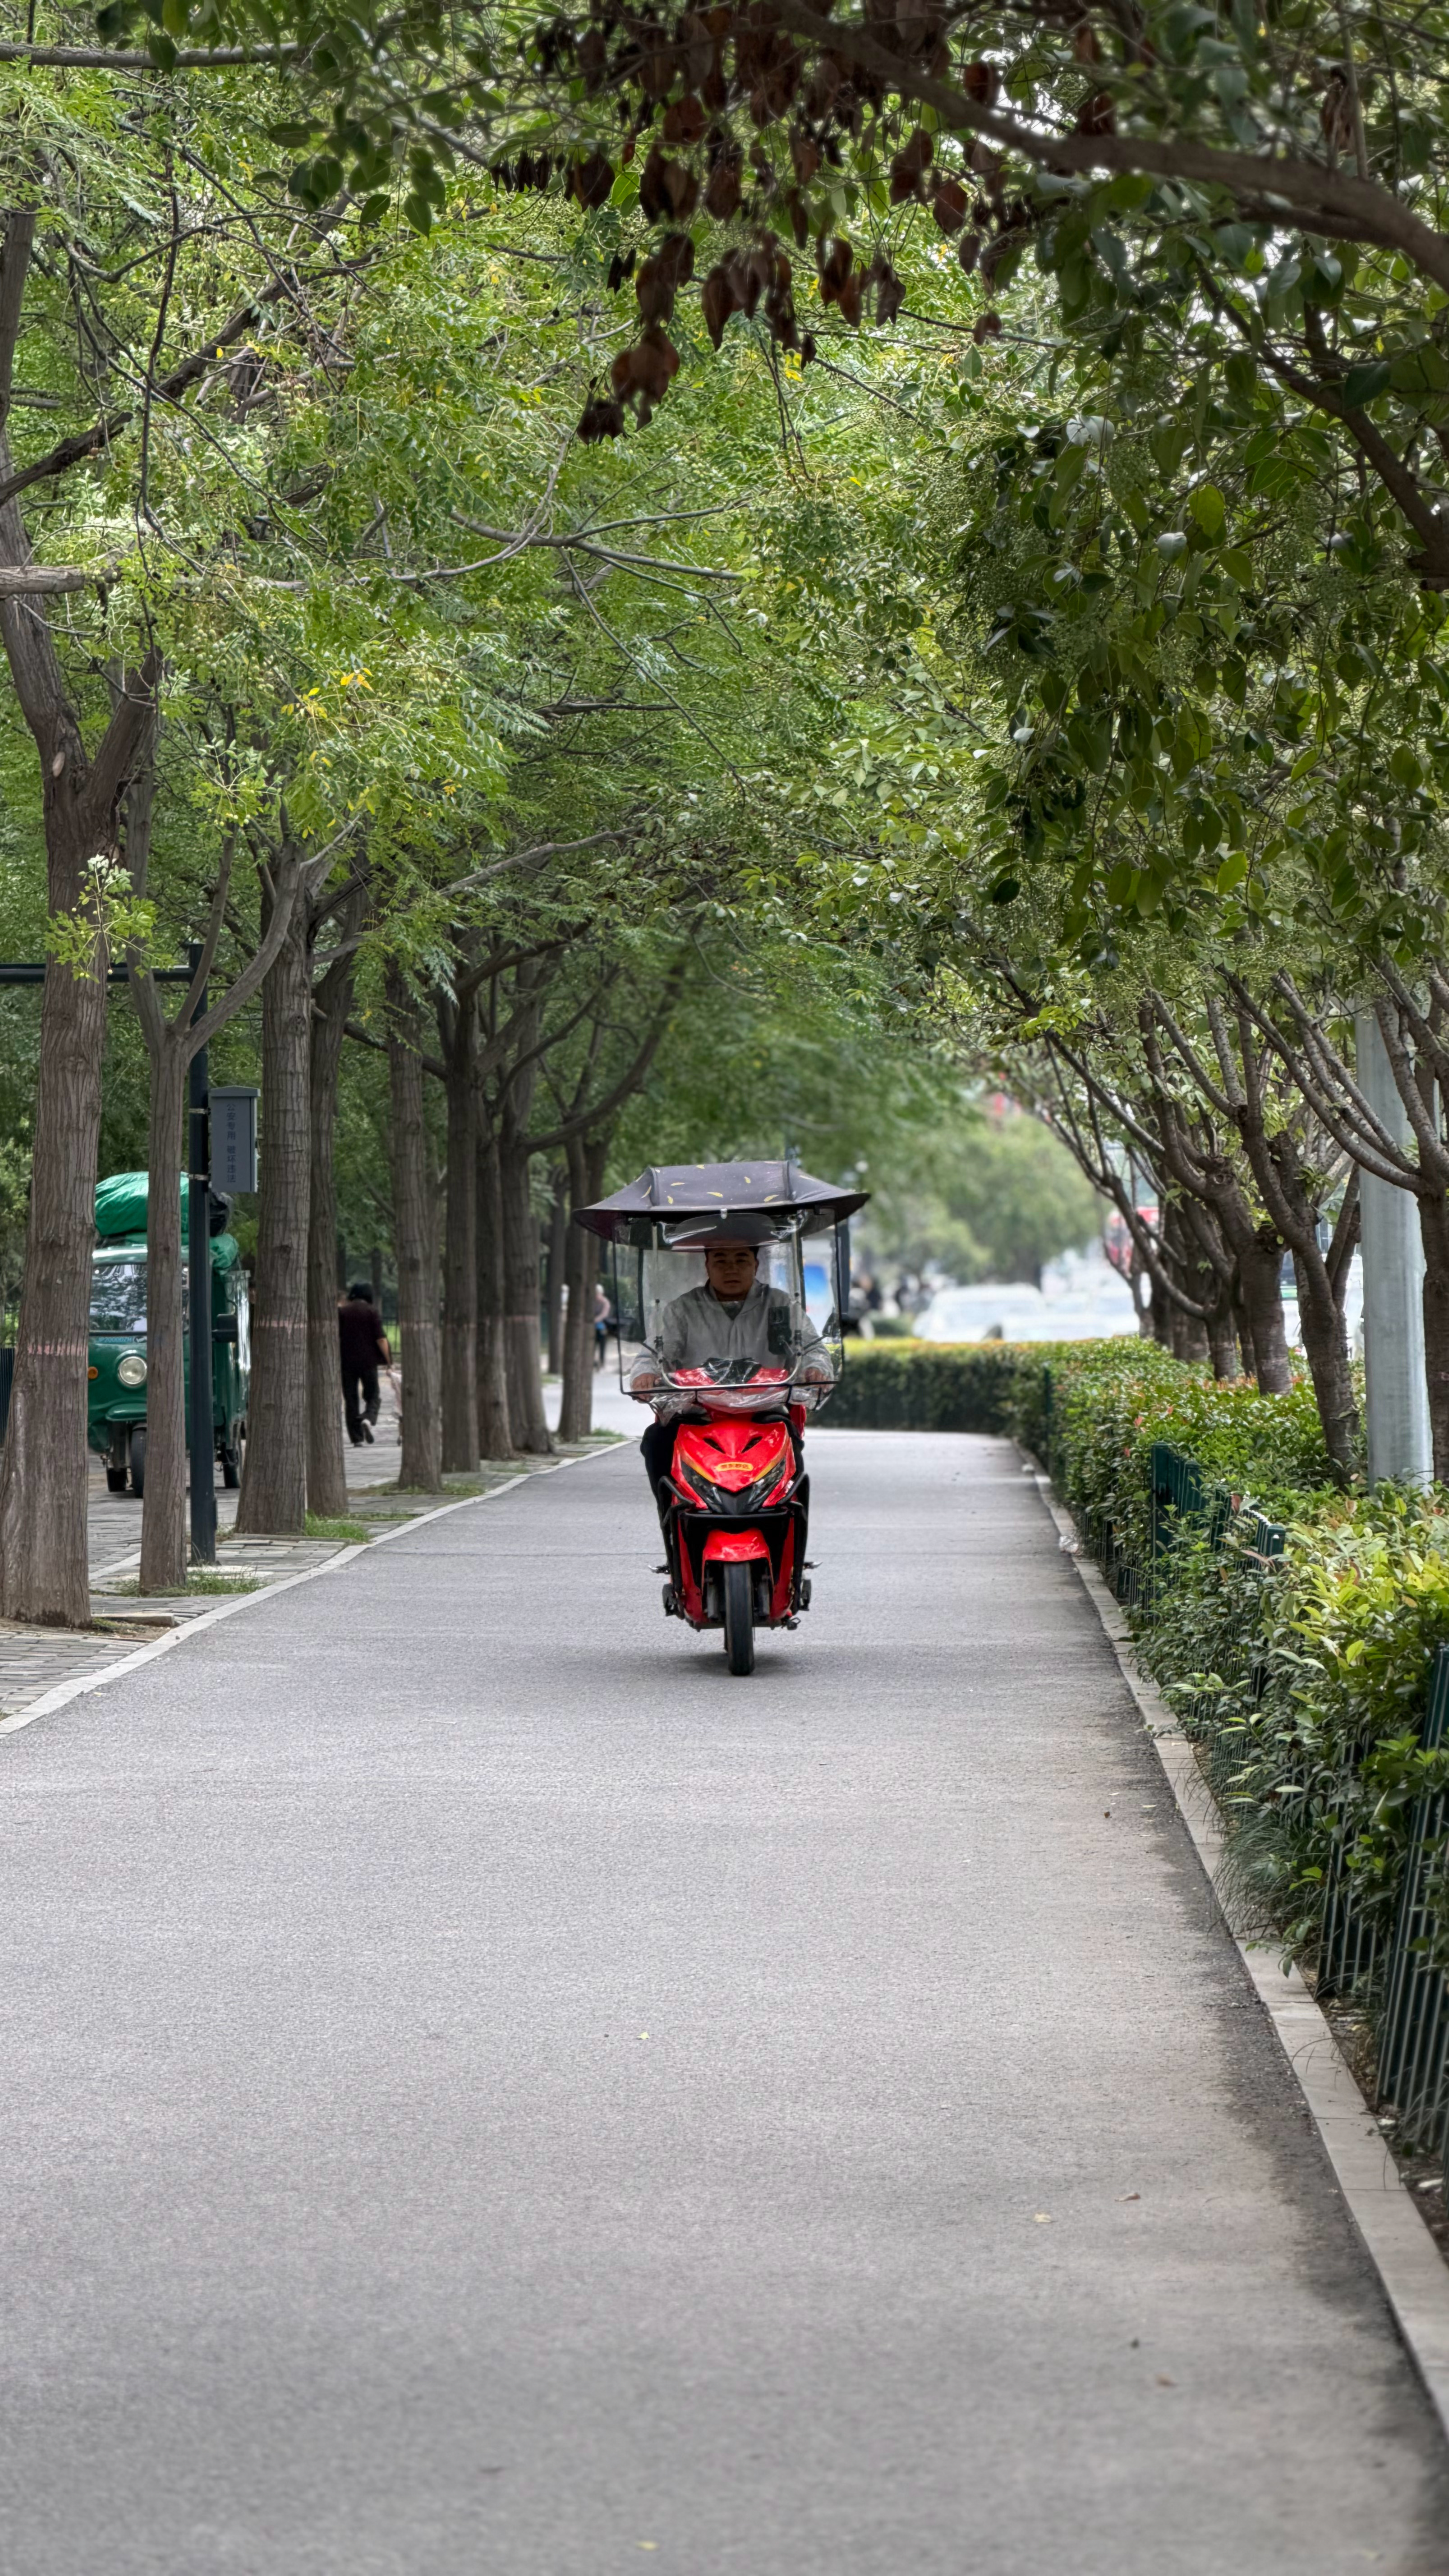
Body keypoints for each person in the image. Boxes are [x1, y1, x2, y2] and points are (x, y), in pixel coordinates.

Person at [630, 1236, 833, 1507]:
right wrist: (644, 1376)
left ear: (755, 1264)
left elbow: (811, 1349)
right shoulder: (684, 1309)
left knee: (792, 1458)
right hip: (697, 1415)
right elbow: (653, 1354)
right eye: (721, 1260)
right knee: (656, 1442)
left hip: (764, 1414)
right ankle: (673, 1517)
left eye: (741, 1259)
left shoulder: (780, 1306)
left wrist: (815, 1370)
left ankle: (786, 1534)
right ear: (708, 1266)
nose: (731, 1268)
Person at [337, 1282, 391, 1447]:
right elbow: (381, 1339)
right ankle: (368, 1418)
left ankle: (357, 1439)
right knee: (373, 1395)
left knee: (351, 1399)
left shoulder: (342, 1312)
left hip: (346, 1362)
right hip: (369, 1362)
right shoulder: (371, 1312)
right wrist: (389, 1361)